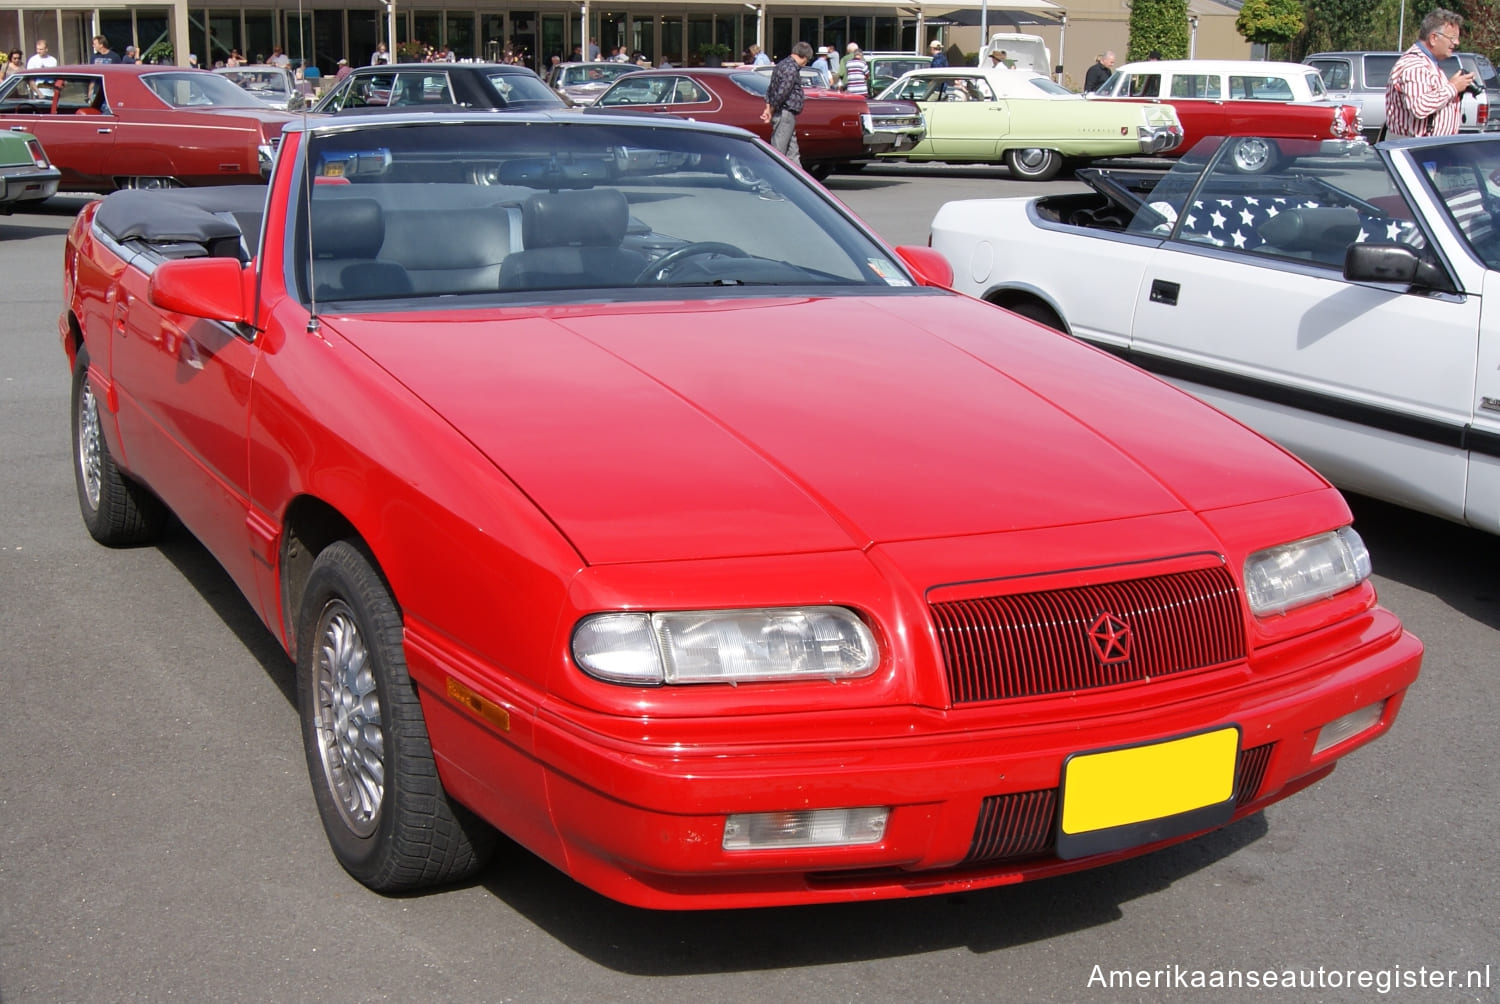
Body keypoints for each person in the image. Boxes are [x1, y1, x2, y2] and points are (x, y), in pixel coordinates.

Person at [1386, 8, 1473, 138]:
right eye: (1452, 38)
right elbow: (1420, 107)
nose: (1456, 43)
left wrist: (1456, 89)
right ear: (1433, 38)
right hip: (1414, 149)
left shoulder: (1429, 63)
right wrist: (1453, 87)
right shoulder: (1415, 65)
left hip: (1425, 147)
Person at [761, 40, 812, 166]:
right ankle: (776, 181)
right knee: (779, 152)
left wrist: (768, 107)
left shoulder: (782, 65)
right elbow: (782, 93)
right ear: (804, 57)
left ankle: (798, 181)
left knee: (792, 153)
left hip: (785, 114)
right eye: (807, 60)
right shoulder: (791, 69)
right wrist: (771, 110)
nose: (805, 64)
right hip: (785, 113)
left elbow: (771, 89)